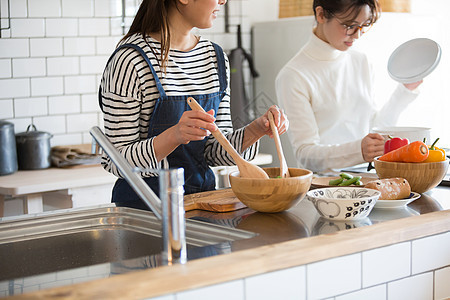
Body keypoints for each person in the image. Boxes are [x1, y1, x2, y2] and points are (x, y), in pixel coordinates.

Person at [99, 0, 288, 210]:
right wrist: (174, 136)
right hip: (144, 209)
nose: (223, 1)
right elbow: (115, 160)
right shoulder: (130, 60)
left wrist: (256, 130)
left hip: (203, 203)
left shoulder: (214, 58)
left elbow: (213, 150)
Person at [275, 0, 422, 173]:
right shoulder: (294, 75)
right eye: (349, 25)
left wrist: (405, 90)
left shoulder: (361, 61)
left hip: (369, 178)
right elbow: (305, 154)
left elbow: (375, 131)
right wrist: (359, 150)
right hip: (324, 188)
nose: (357, 35)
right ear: (321, 15)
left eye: (363, 25)